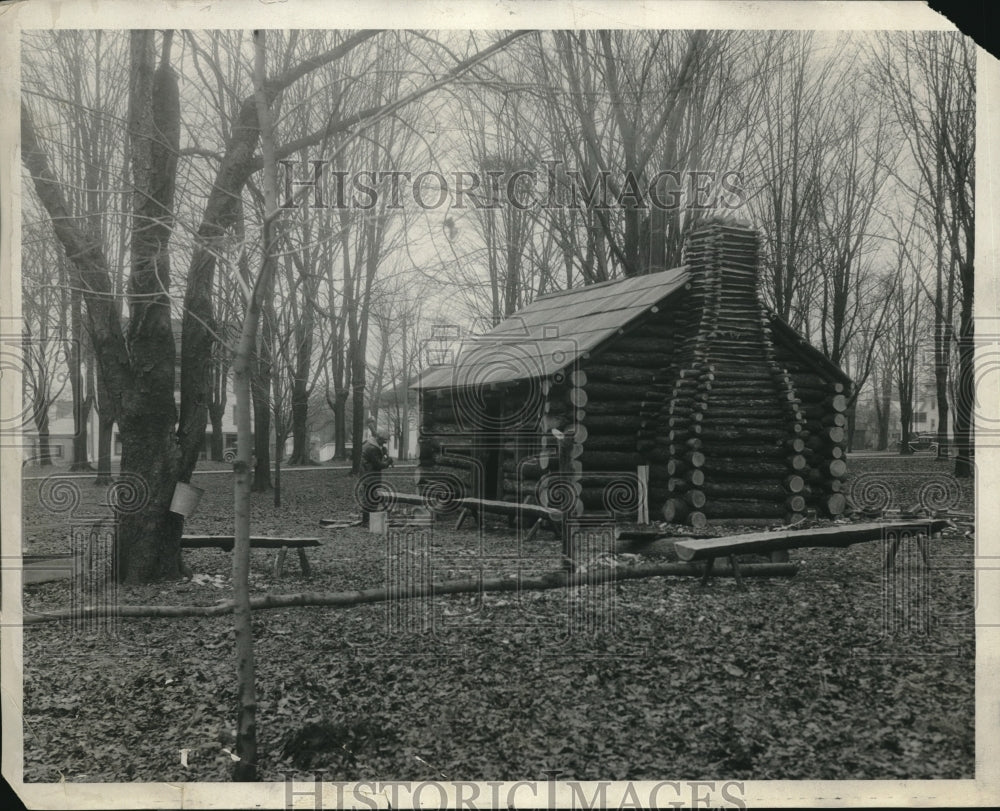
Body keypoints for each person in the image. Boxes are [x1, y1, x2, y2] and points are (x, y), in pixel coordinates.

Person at [359, 428, 393, 526]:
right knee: (370, 498)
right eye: (384, 441)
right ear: (379, 438)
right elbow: (378, 464)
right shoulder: (373, 448)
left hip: (367, 475)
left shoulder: (371, 444)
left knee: (370, 497)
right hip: (370, 476)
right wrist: (388, 462)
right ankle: (367, 521)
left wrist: (382, 451)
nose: (385, 443)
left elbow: (375, 460)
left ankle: (368, 520)